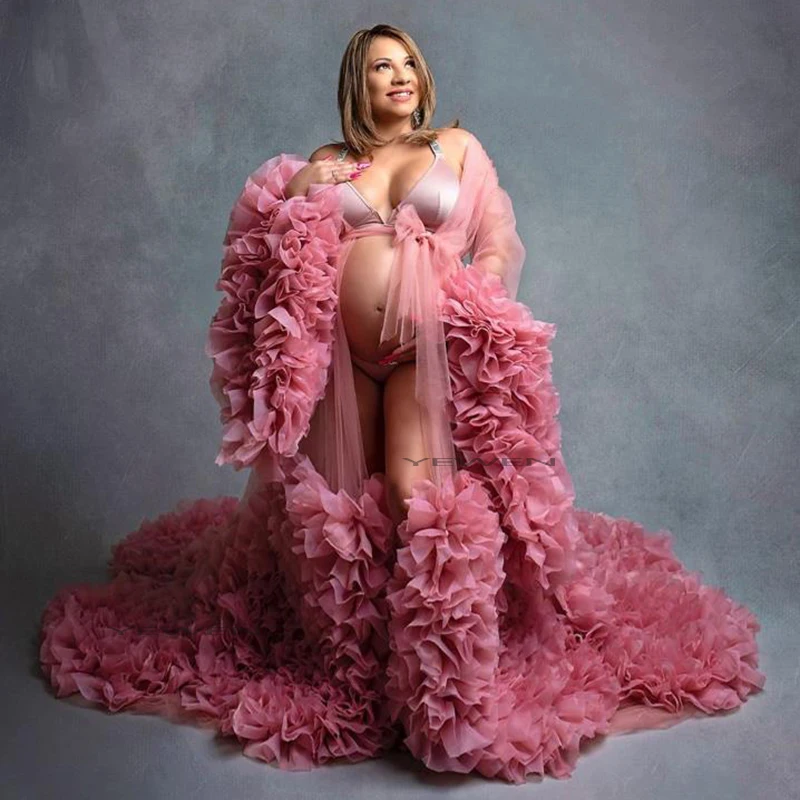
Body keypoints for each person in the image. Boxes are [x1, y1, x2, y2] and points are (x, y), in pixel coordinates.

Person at [38, 24, 766, 784]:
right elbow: (274, 247)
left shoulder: (455, 148)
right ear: (357, 82)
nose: (400, 75)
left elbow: (498, 241)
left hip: (427, 355)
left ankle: (440, 696)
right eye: (382, 66)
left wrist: (474, 303)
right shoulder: (330, 162)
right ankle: (359, 676)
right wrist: (306, 189)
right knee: (343, 509)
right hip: (344, 364)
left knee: (425, 504)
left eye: (409, 63)